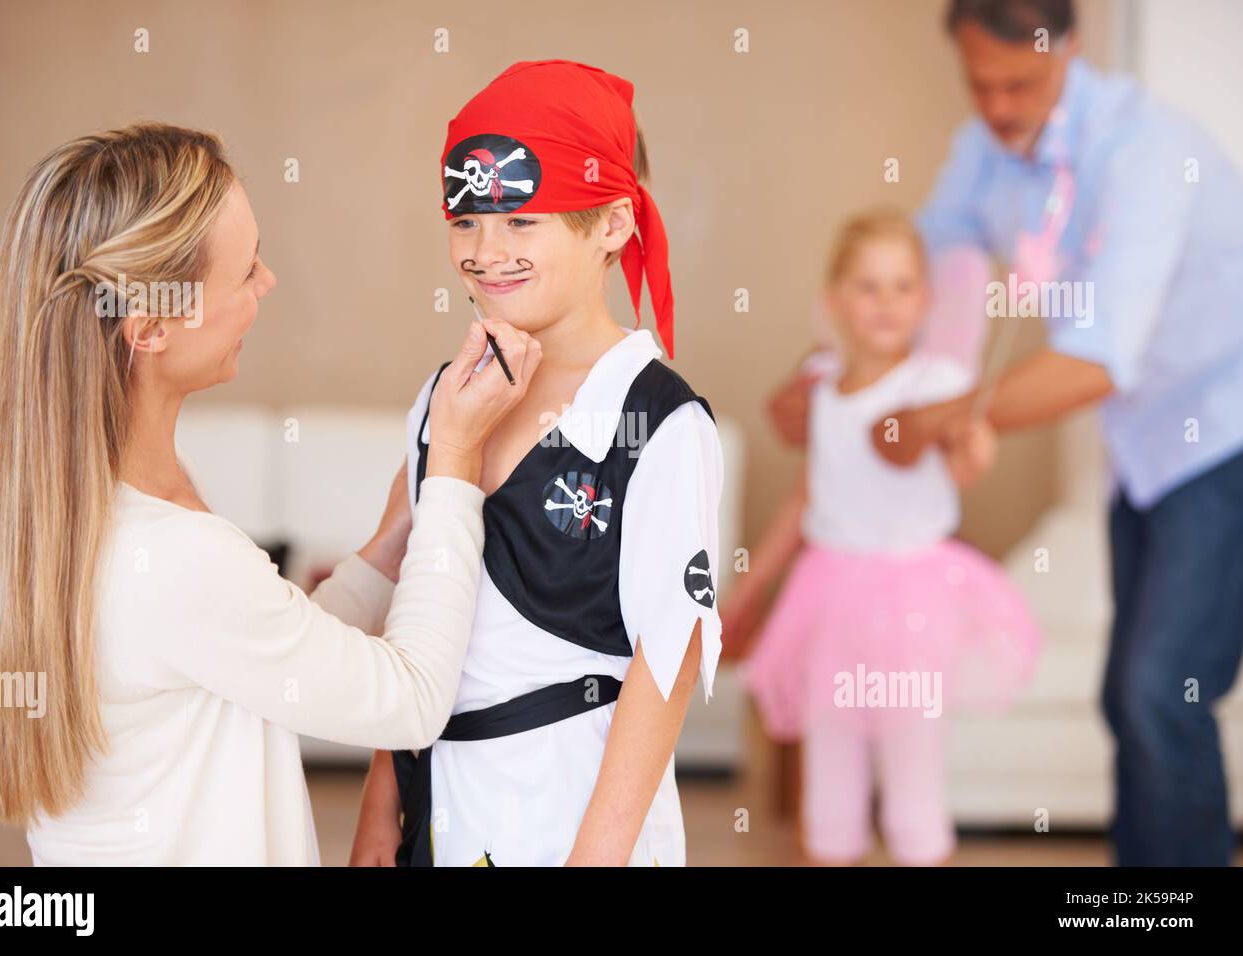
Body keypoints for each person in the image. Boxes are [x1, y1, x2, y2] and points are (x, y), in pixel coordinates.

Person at [0, 123, 542, 865]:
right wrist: (456, 462)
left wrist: (395, 538)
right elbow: (411, 699)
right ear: (151, 330)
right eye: (245, 271)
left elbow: (258, 655)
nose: (266, 282)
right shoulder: (173, 555)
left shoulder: (91, 510)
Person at [769, 0, 1243, 866]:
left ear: (1069, 45)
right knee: (1126, 695)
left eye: (1018, 83)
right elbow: (928, 270)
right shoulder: (982, 153)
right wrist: (838, 377)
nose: (996, 108)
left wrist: (940, 416)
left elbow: (1099, 358)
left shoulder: (1146, 153)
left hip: (1223, 438)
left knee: (1159, 691)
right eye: (978, 85)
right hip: (1140, 453)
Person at [349, 60, 724, 867]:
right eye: (467, 220)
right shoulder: (446, 398)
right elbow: (411, 609)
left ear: (614, 225)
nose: (486, 253)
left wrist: (594, 858)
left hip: (570, 810)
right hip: (439, 804)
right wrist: (382, 808)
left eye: (522, 222)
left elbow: (672, 657)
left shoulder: (658, 419)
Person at [726, 211, 1039, 865]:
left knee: (911, 770)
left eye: (902, 287)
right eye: (868, 286)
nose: (887, 303)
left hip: (913, 602)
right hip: (830, 596)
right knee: (829, 769)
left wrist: (974, 447)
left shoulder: (938, 386)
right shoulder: (822, 386)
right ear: (836, 299)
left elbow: (961, 466)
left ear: (925, 299)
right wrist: (749, 586)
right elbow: (808, 497)